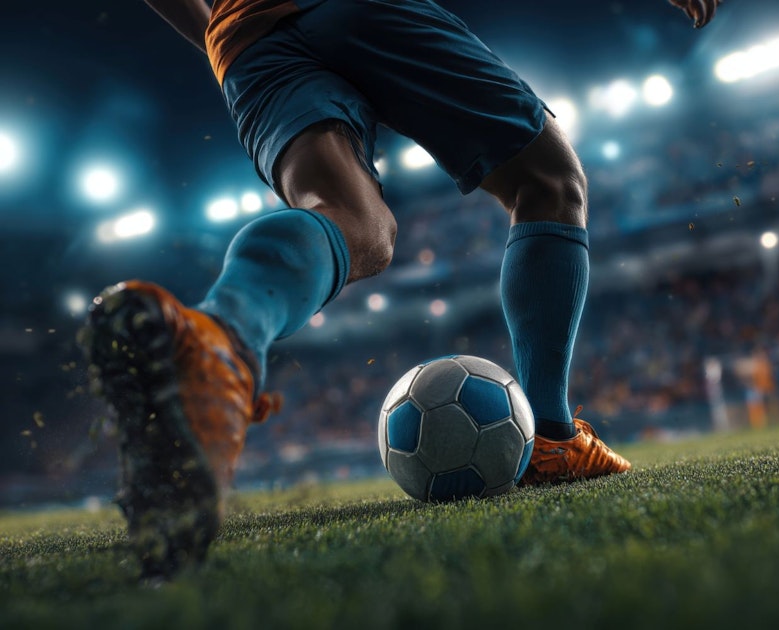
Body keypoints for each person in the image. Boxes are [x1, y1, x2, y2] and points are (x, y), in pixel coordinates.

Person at [82, 0, 720, 578]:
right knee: (548, 181)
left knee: (350, 221)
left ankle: (220, 336)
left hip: (244, 38)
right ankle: (551, 437)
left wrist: (222, 39)